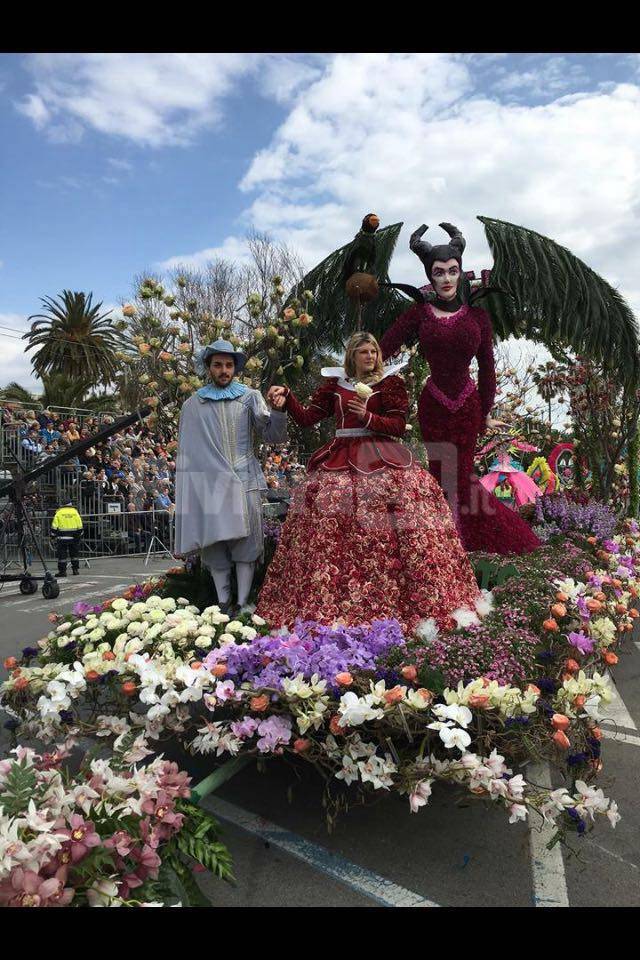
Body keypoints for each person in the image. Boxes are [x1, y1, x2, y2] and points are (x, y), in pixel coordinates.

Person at [259, 332, 482, 633]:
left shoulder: (390, 383)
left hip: (380, 453)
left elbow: (398, 425)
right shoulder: (334, 385)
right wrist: (288, 401)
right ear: (351, 355)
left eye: (374, 352)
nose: (370, 357)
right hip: (340, 455)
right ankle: (331, 596)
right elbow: (309, 418)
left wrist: (366, 417)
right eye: (363, 352)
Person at [380, 222, 540, 556]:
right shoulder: (419, 313)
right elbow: (384, 348)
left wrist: (484, 410)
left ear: (461, 274)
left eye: (453, 271)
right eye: (439, 273)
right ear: (431, 276)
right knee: (439, 477)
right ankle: (442, 548)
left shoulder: (478, 317)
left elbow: (488, 367)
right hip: (434, 405)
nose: (447, 279)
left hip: (467, 405)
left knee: (464, 477)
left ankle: (469, 544)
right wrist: (363, 369)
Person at [175, 339, 287, 613]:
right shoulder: (193, 404)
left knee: (246, 544)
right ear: (208, 367)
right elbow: (187, 453)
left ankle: (242, 602)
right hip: (210, 486)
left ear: (235, 368)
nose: (224, 370)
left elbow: (273, 436)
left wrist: (279, 410)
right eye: (218, 365)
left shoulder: (250, 397)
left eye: (228, 365)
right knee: (215, 545)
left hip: (244, 480)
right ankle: (222, 603)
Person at [51, 499, 83, 577]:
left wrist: (52, 536)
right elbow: (80, 525)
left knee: (62, 556)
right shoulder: (75, 512)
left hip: (62, 537)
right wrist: (79, 535)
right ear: (70, 504)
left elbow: (54, 526)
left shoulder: (59, 512)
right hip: (74, 537)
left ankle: (62, 572)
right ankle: (75, 570)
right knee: (74, 555)